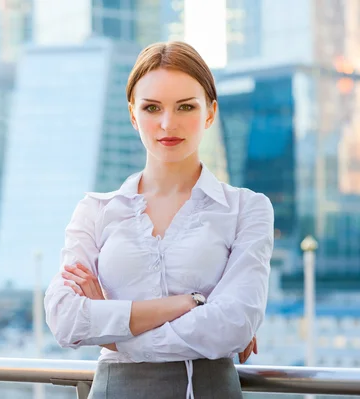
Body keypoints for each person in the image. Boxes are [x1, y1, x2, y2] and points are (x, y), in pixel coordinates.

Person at [43, 41, 274, 399]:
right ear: (133, 114)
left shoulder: (247, 208)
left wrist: (113, 330)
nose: (168, 123)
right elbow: (65, 319)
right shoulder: (95, 210)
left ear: (210, 113)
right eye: (152, 108)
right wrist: (190, 303)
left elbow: (234, 325)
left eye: (186, 107)